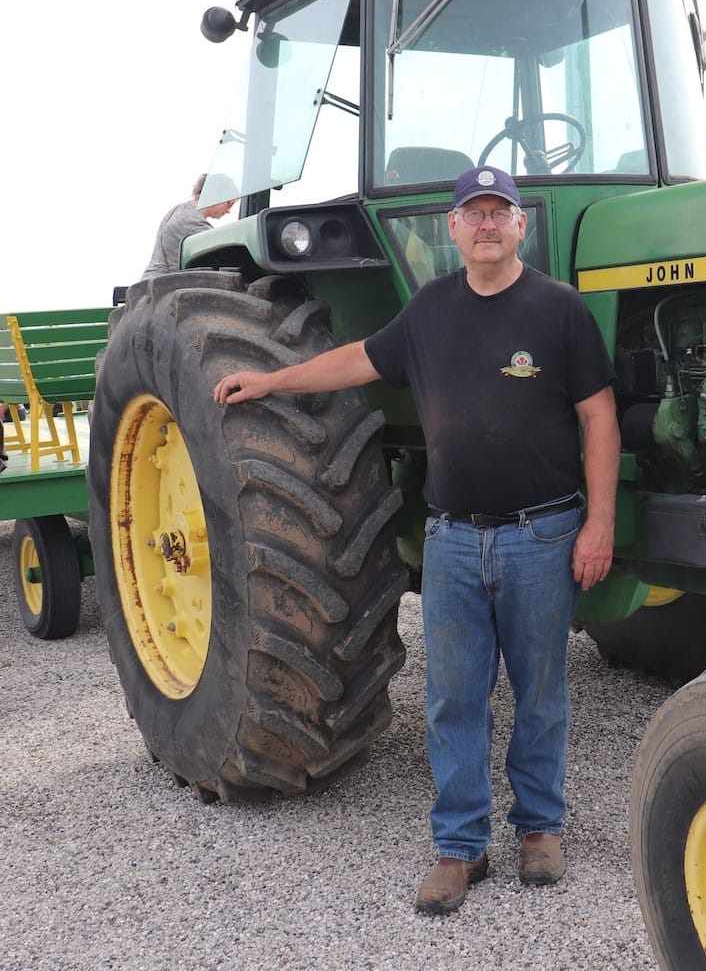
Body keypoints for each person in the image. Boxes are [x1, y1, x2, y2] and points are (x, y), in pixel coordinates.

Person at [212, 165, 619, 915]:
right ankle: (461, 846)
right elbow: (357, 360)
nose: (488, 223)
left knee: (541, 693)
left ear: (520, 226)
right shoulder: (429, 310)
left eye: (501, 212)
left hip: (541, 536)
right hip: (454, 543)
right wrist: (271, 382)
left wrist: (599, 524)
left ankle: (539, 829)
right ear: (455, 229)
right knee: (453, 698)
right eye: (475, 213)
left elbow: (599, 418)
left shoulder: (559, 311)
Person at [141, 173, 239, 279]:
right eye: (229, 203)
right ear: (214, 194)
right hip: (165, 284)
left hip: (153, 280)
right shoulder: (192, 222)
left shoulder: (179, 210)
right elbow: (222, 257)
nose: (229, 211)